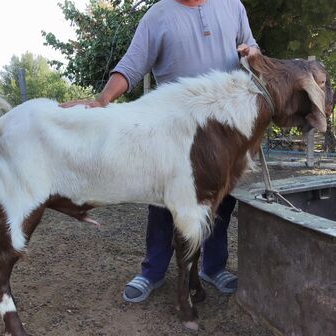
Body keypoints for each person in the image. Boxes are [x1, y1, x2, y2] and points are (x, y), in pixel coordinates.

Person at [61, 0, 260, 302]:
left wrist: (252, 53)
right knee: (164, 203)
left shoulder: (233, 6)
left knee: (220, 202)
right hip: (175, 133)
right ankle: (152, 271)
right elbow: (132, 65)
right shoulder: (157, 15)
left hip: (224, 132)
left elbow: (253, 50)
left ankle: (213, 267)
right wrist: (103, 100)